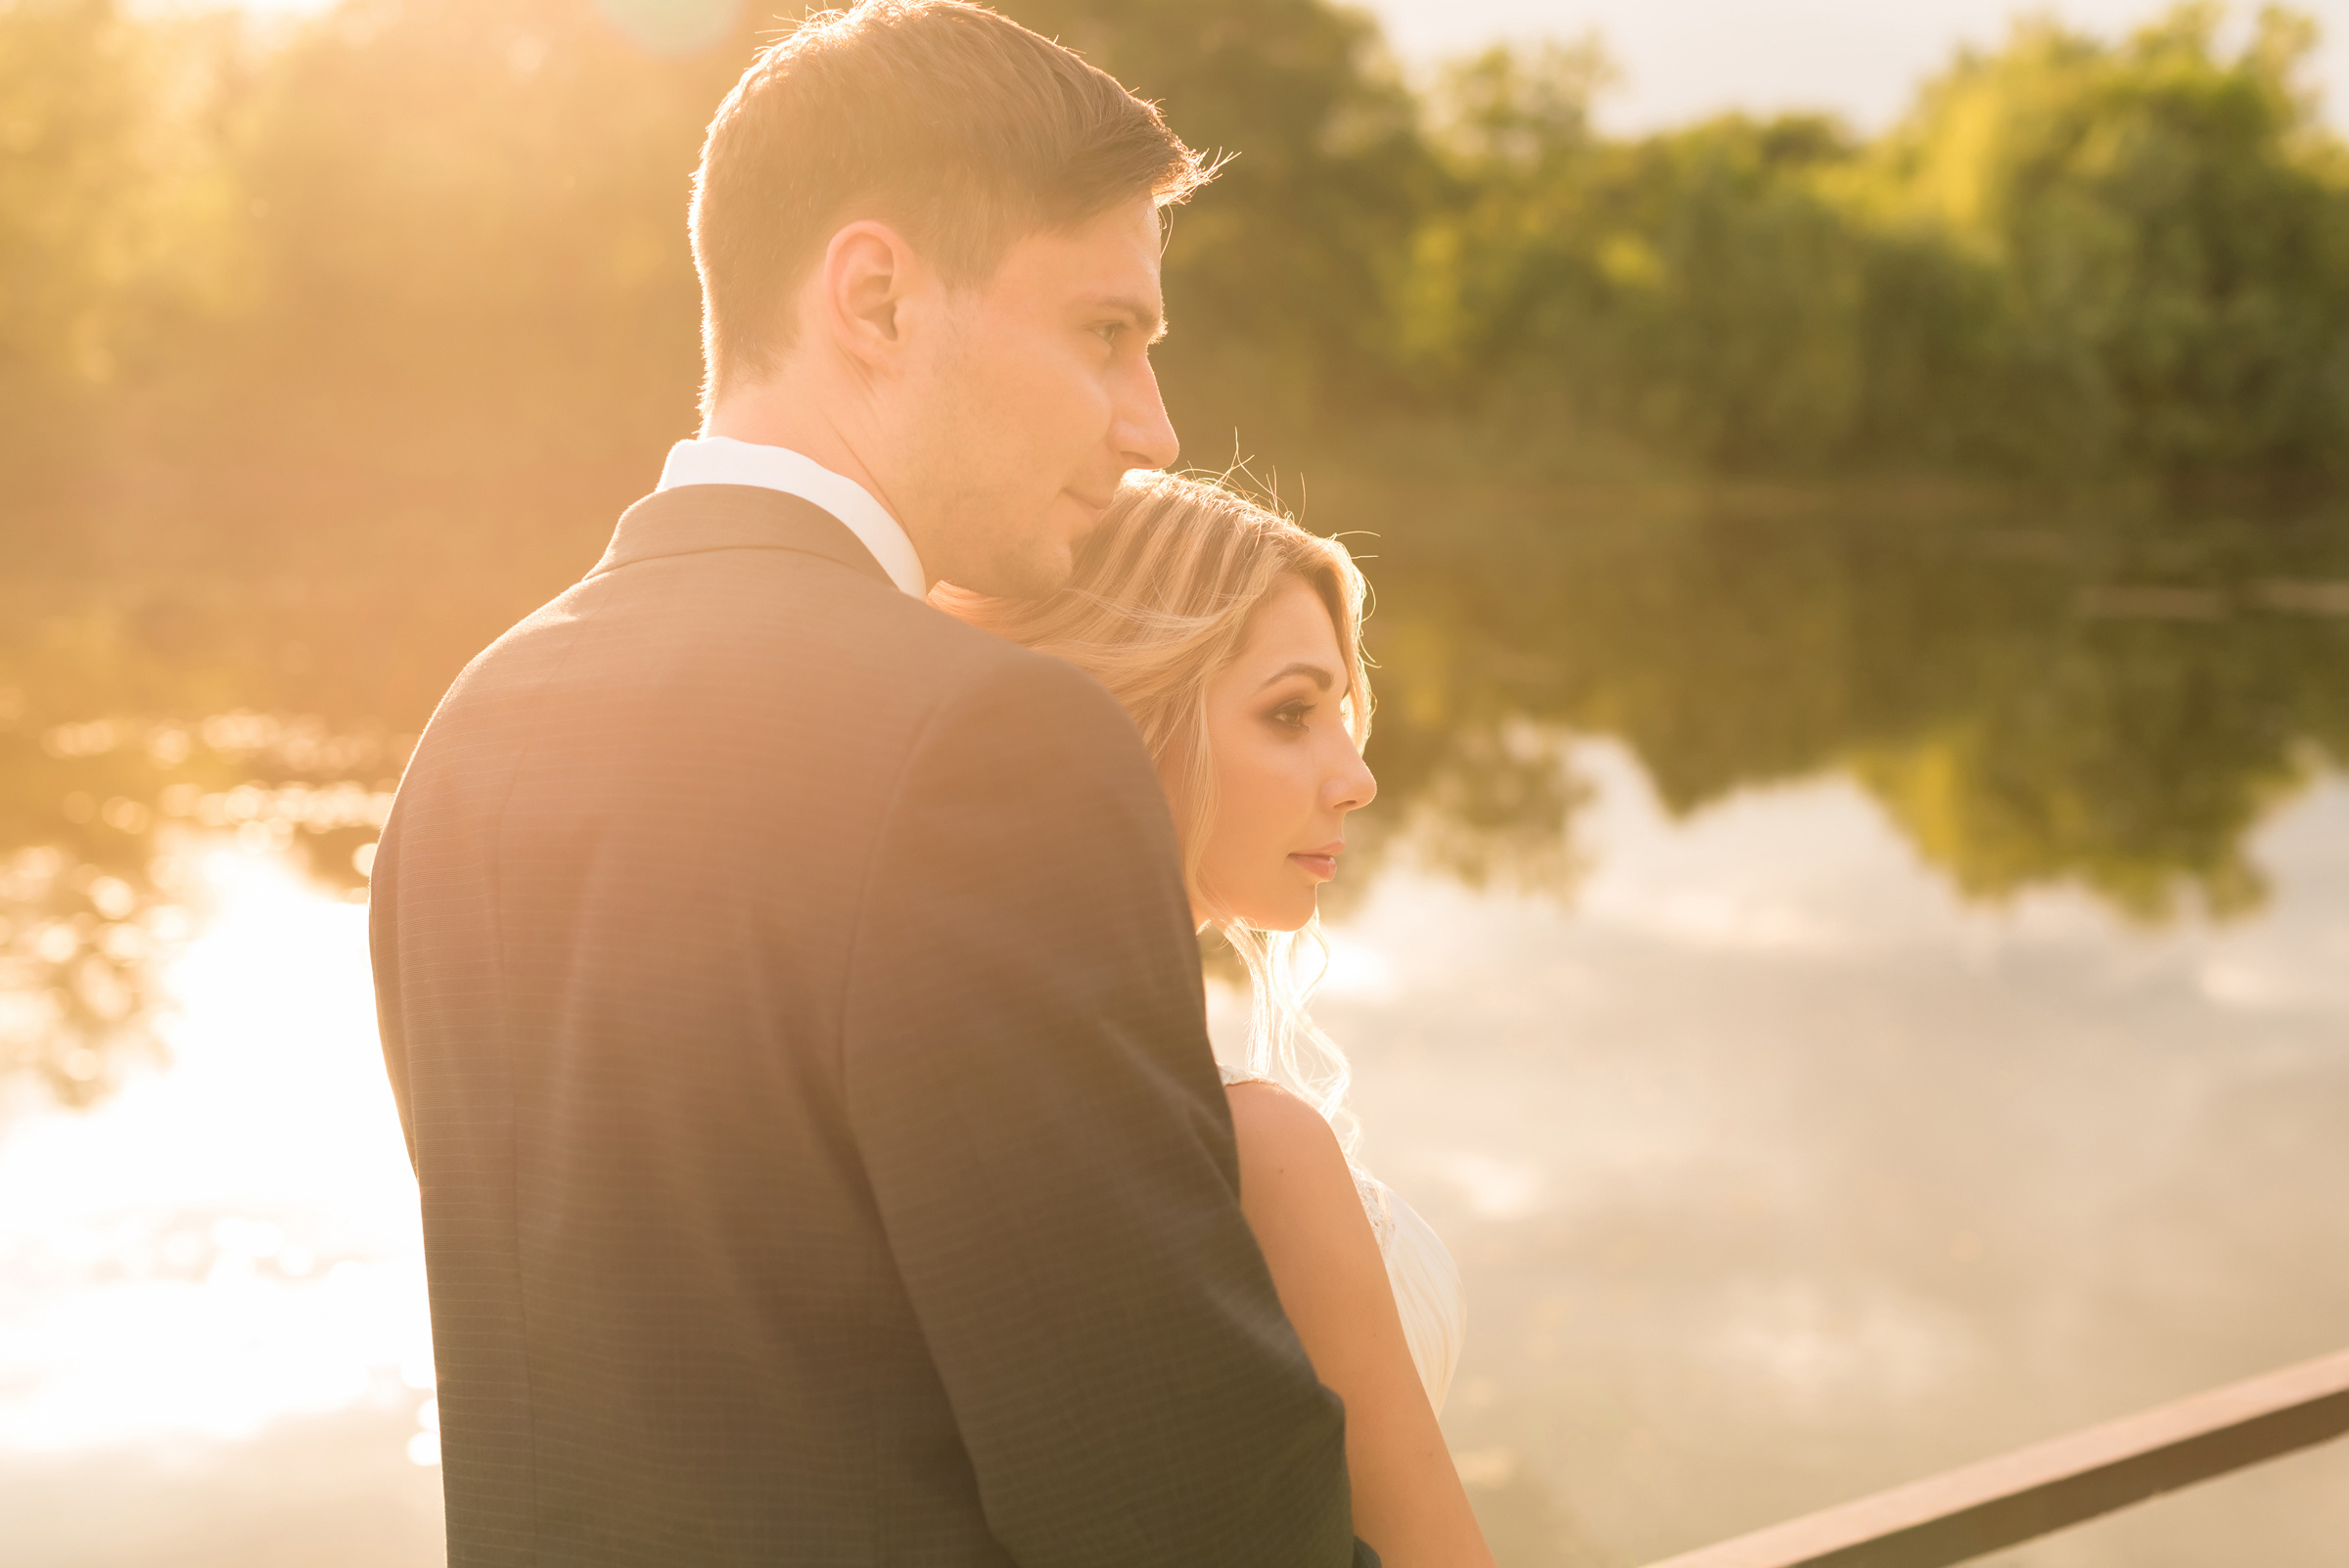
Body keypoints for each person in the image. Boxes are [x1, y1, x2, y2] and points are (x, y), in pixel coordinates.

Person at [368, 4, 1374, 1564]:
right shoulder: (992, 749)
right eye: (1106, 333)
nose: (1150, 428)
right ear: (879, 296)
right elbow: (1188, 1509)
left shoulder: (473, 732)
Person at [939, 473, 1497, 1567]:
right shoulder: (1259, 1153)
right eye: (1291, 714)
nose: (1358, 777)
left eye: (1341, 714)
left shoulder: (957, 1103)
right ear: (1118, 718)